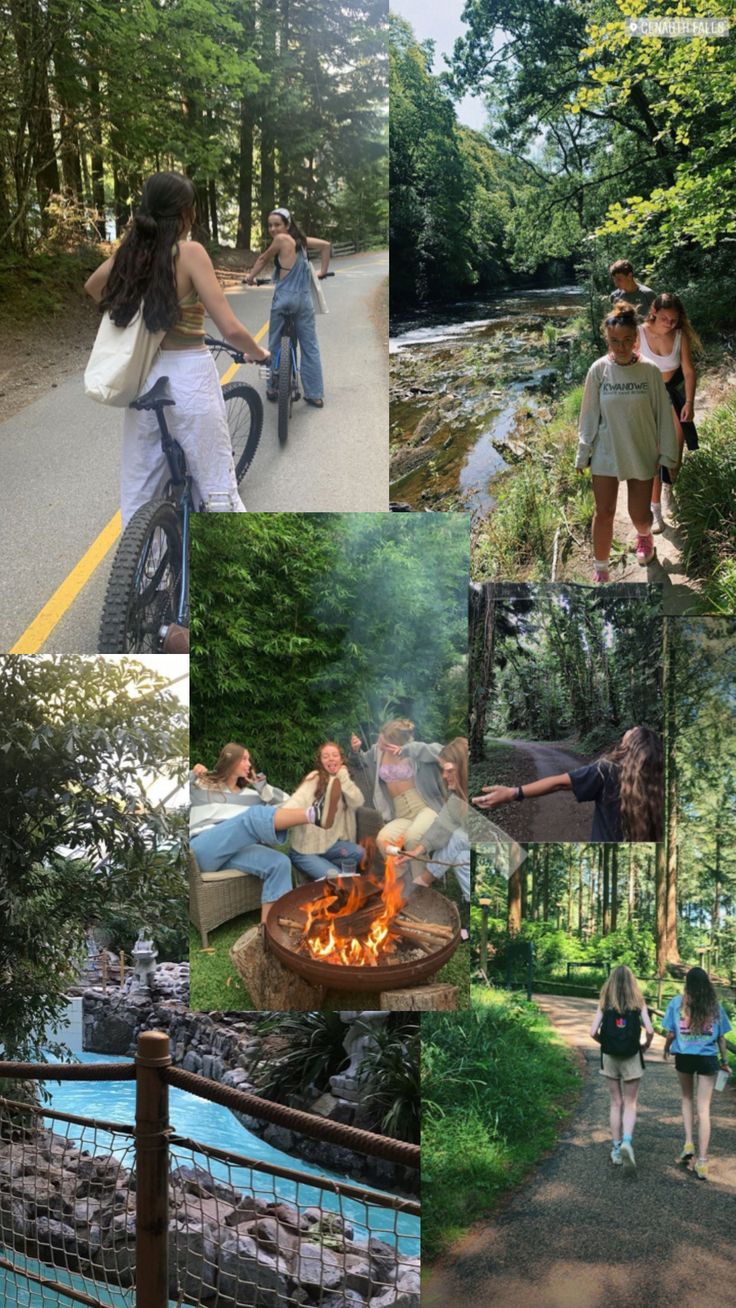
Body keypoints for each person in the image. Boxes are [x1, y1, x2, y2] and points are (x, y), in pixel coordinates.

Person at [84, 171, 270, 527]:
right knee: (215, 478)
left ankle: (142, 572)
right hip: (190, 377)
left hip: (145, 377)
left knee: (141, 486)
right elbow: (230, 327)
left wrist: (139, 310)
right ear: (184, 213)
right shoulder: (189, 253)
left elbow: (93, 286)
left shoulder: (132, 254)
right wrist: (259, 352)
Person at [576, 302, 679, 580]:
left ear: (636, 339)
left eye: (626, 341)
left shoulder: (649, 372)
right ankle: (601, 571)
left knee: (639, 515)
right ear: (606, 340)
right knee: (604, 511)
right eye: (614, 341)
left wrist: (668, 456)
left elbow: (663, 417)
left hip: (640, 450)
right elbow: (588, 416)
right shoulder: (598, 370)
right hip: (606, 451)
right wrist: (583, 453)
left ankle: (644, 536)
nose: (620, 347)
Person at [189, 741, 328, 922]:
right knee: (252, 817)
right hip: (203, 850)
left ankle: (270, 929)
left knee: (280, 862)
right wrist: (192, 774)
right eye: (244, 759)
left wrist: (263, 788)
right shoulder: (203, 786)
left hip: (233, 853)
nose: (249, 764)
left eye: (249, 759)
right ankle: (314, 814)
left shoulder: (252, 796)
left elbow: (287, 806)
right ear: (231, 760)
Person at [472, 726, 663, 842]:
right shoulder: (658, 784)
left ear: (631, 745)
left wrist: (513, 793)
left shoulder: (607, 771)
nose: (631, 729)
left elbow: (559, 783)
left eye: (634, 731)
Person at [243, 207, 331, 407]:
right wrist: (322, 272)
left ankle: (273, 386)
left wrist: (250, 277)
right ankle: (314, 393)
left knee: (274, 344)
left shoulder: (281, 240)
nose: (273, 229)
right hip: (304, 302)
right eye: (270, 225)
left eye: (277, 224)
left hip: (284, 300)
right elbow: (326, 246)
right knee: (310, 346)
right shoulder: (303, 242)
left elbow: (263, 258)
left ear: (287, 225)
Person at [349, 719, 445, 879]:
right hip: (401, 814)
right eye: (380, 740)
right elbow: (362, 765)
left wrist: (409, 750)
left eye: (385, 744)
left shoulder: (415, 751)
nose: (380, 745)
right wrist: (356, 751)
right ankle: (401, 883)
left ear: (399, 744)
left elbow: (444, 752)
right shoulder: (377, 753)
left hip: (425, 807)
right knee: (384, 840)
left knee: (413, 837)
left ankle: (422, 884)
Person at [638, 293, 701, 532]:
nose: (669, 323)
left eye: (674, 319)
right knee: (654, 457)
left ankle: (668, 489)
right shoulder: (639, 333)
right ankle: (655, 513)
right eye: (665, 318)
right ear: (654, 311)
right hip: (646, 399)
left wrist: (690, 402)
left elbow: (688, 371)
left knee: (673, 455)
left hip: (673, 397)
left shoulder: (679, 336)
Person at [662, 967, 733, 1180]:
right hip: (707, 1058)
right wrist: (724, 1062)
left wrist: (666, 1047)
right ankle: (702, 1162)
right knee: (704, 1109)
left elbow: (671, 1032)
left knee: (686, 1098)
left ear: (687, 983)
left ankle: (688, 1144)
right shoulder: (715, 1006)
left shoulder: (677, 1003)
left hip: (684, 1056)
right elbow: (721, 1038)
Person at [590, 965, 654, 1172]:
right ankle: (627, 1140)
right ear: (631, 983)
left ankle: (616, 1149)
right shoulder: (639, 1003)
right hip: (632, 1057)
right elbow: (650, 1030)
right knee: (630, 1103)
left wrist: (604, 1043)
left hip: (610, 1057)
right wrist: (646, 1045)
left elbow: (592, 1032)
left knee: (615, 1103)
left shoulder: (604, 1003)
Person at [394, 737, 471, 903]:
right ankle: (474, 899)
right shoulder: (457, 797)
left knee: (458, 837)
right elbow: (442, 825)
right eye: (443, 770)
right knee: (461, 857)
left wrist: (425, 876)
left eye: (449, 770)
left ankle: (422, 882)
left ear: (464, 768)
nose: (444, 775)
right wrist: (416, 851)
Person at [282, 741, 366, 880]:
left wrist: (343, 778)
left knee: (360, 853)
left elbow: (358, 801)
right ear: (320, 761)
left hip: (330, 846)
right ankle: (329, 872)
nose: (331, 759)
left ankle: (326, 870)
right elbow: (296, 801)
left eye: (335, 755)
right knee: (339, 881)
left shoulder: (344, 779)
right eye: (326, 756)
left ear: (341, 759)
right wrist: (282, 814)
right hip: (306, 850)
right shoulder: (314, 778)